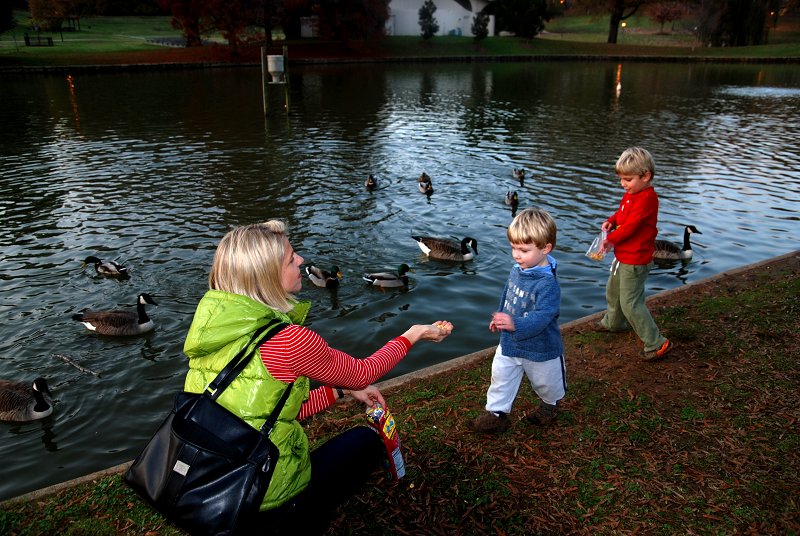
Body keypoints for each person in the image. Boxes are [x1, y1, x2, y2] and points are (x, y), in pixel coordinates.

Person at [182, 220, 454, 535]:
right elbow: (362, 373)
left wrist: (339, 392)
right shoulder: (288, 339)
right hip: (266, 497)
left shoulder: (211, 328)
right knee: (367, 441)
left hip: (213, 483)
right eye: (290, 258)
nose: (300, 261)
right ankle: (302, 518)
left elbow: (269, 411)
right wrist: (414, 333)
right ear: (267, 276)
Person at [468, 207, 567, 434]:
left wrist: (516, 324)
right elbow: (509, 293)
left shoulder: (547, 284)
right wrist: (501, 315)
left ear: (545, 248)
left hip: (540, 347)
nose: (516, 254)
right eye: (513, 247)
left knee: (546, 383)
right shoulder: (518, 269)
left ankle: (549, 405)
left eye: (523, 249)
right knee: (501, 376)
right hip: (510, 342)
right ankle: (496, 414)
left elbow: (544, 316)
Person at [597, 146, 673, 361]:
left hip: (636, 259)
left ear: (645, 176)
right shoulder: (632, 193)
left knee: (631, 302)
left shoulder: (647, 199)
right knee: (613, 292)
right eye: (621, 179)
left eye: (627, 179)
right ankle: (613, 322)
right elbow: (622, 214)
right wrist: (611, 222)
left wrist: (609, 241)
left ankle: (657, 342)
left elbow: (631, 226)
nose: (623, 184)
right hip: (623, 257)